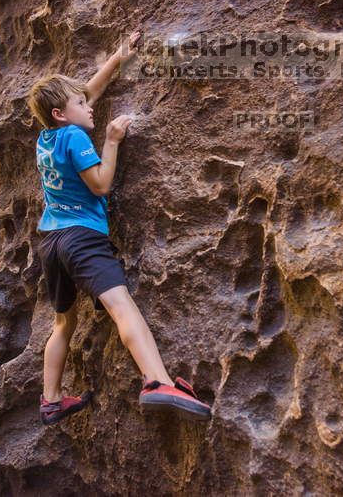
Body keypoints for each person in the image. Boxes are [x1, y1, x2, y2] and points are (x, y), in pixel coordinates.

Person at [28, 31, 211, 425]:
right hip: (82, 238)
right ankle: (157, 381)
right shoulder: (77, 135)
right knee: (121, 305)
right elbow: (100, 184)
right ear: (63, 113)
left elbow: (85, 95)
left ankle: (51, 399)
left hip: (52, 242)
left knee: (64, 322)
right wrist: (111, 140)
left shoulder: (46, 138)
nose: (88, 106)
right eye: (81, 103)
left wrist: (117, 58)